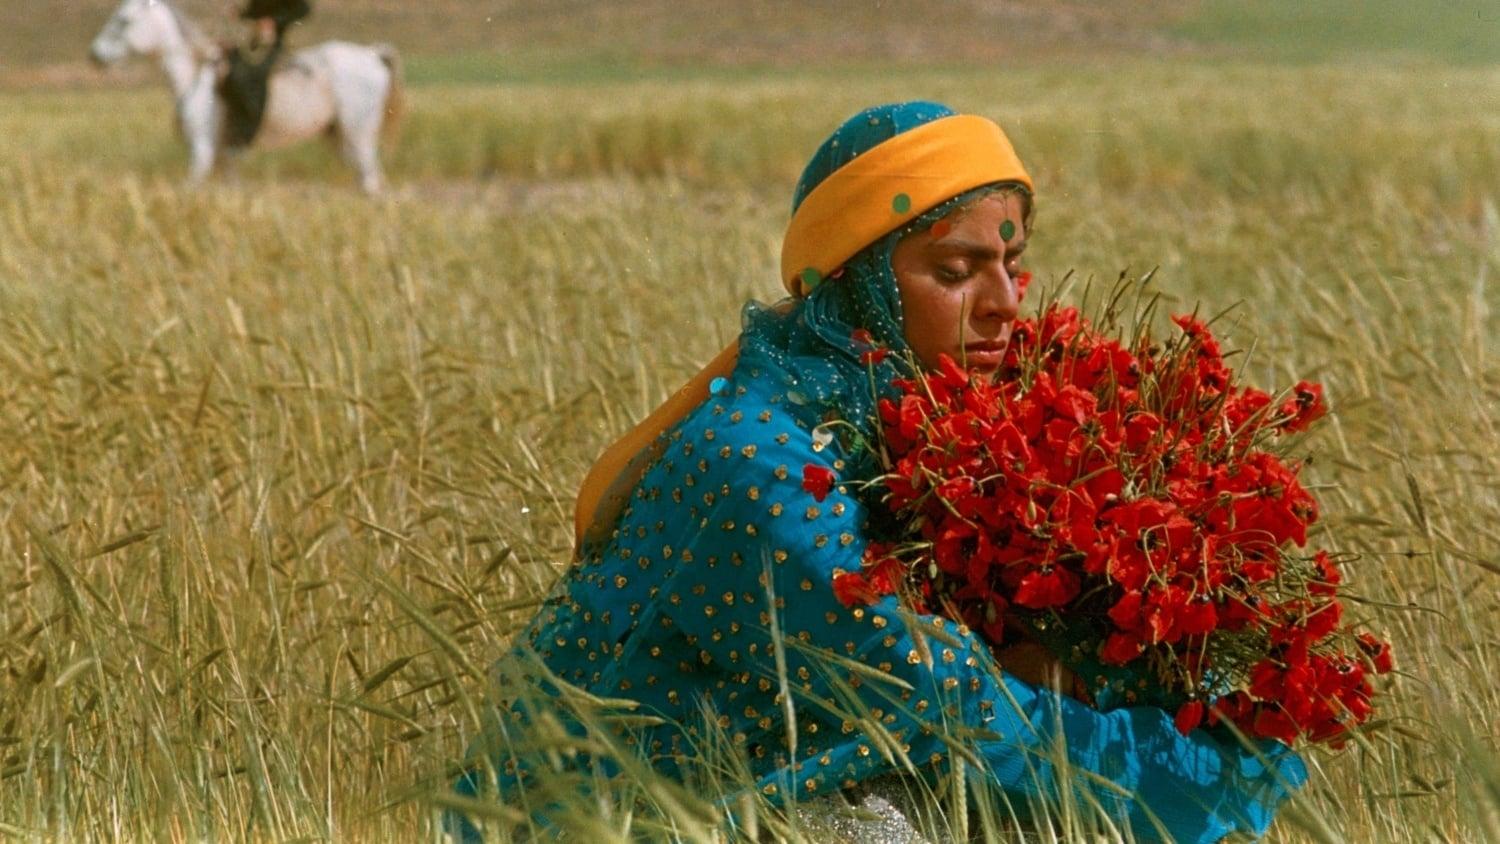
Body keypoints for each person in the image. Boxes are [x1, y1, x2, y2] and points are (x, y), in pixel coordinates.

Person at [451, 101, 1306, 843]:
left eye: (1011, 264)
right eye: (955, 271)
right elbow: (944, 711)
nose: (1006, 303)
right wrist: (1200, 771)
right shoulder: (760, 464)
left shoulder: (925, 429)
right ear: (860, 284)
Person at [217, 0, 312, 148]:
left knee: (249, 77)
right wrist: (241, 13)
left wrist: (275, 21)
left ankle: (248, 132)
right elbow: (257, 11)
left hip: (277, 43)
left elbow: (303, 9)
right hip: (256, 40)